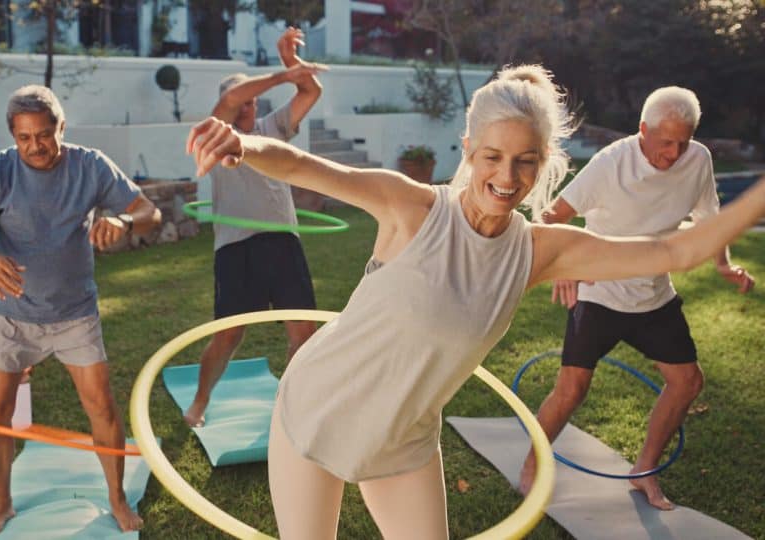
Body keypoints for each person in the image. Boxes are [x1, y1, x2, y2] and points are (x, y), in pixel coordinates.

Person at [185, 65, 765, 538]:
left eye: (525, 161)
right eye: (492, 157)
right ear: (468, 150)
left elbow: (672, 250)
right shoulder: (411, 208)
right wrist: (242, 143)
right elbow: (304, 165)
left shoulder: (543, 252)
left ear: (544, 165)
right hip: (315, 411)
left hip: (403, 441)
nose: (507, 177)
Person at [518, 86, 755, 509]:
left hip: (654, 295)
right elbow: (552, 217)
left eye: (683, 141)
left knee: (688, 381)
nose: (675, 152)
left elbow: (710, 220)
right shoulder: (611, 164)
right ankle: (531, 469)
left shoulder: (697, 159)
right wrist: (566, 266)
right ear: (642, 130)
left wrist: (722, 264)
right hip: (600, 293)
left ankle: (643, 469)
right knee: (573, 388)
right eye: (666, 142)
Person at [0, 84, 160, 538]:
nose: (35, 147)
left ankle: (117, 498)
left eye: (44, 135)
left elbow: (151, 212)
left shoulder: (90, 166)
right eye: (24, 138)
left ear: (60, 128)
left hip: (74, 312)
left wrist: (125, 221)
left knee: (103, 408)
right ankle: (3, 503)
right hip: (10, 313)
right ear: (13, 135)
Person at [183, 27, 327, 428]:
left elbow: (311, 93)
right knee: (229, 335)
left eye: (253, 103)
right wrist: (284, 77)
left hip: (281, 241)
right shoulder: (216, 134)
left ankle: (294, 408)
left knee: (304, 331)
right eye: (243, 104)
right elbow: (230, 99)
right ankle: (198, 403)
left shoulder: (272, 128)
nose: (247, 109)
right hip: (236, 246)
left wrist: (291, 63)